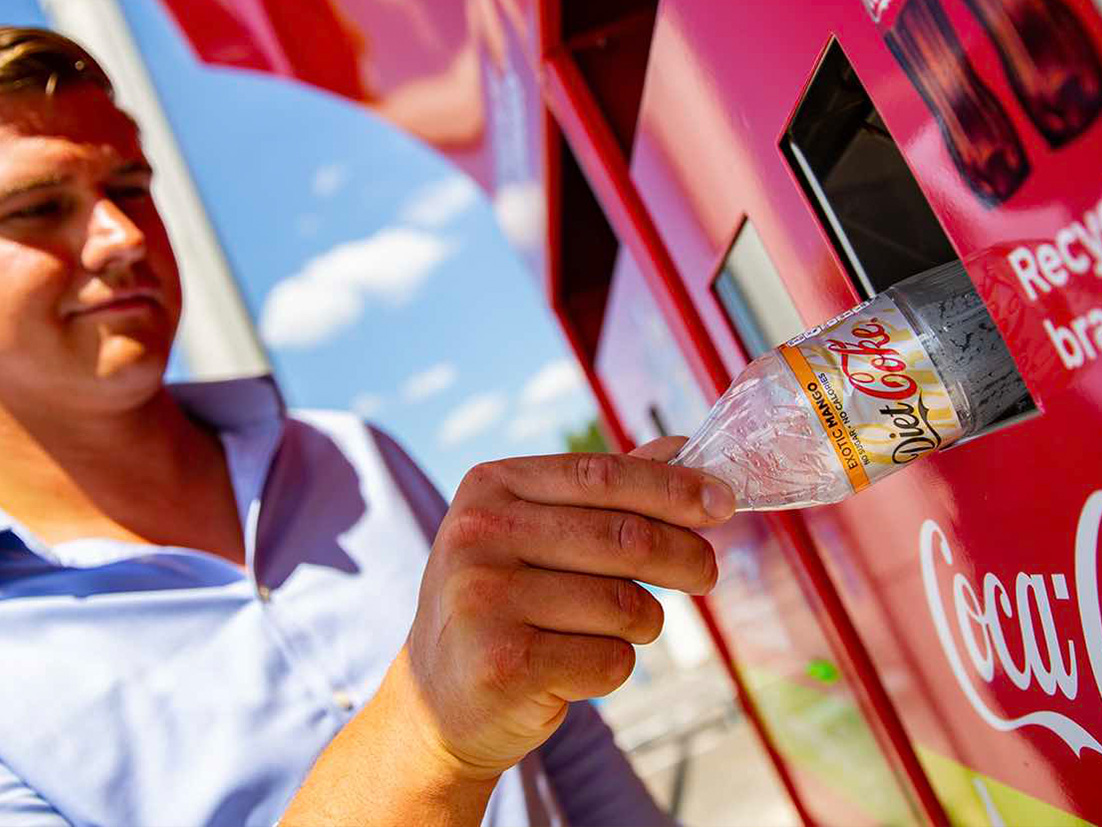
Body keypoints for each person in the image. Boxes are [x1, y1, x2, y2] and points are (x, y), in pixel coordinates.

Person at [0, 27, 738, 827]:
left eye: (132, 185)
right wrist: (433, 733)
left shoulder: (354, 457)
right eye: (42, 208)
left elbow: (568, 751)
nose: (125, 237)